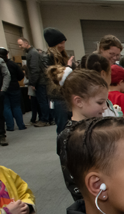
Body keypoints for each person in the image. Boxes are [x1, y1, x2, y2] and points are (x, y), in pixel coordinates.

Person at [46, 64, 109, 201]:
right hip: (95, 201)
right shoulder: (70, 137)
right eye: (100, 102)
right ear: (78, 101)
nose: (105, 108)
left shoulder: (94, 126)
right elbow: (74, 180)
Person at [42, 27, 74, 134]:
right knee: (62, 126)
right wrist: (68, 67)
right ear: (54, 43)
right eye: (60, 43)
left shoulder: (63, 56)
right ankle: (63, 148)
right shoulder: (46, 58)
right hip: (58, 96)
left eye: (64, 42)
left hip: (68, 94)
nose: (63, 46)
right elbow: (55, 77)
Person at [18, 36, 50, 127]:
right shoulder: (31, 53)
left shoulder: (33, 53)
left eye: (20, 45)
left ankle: (45, 120)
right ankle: (44, 118)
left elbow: (34, 69)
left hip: (40, 81)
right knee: (42, 101)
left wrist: (33, 83)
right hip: (39, 81)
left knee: (42, 101)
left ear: (26, 43)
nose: (20, 47)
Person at [0, 48, 26, 132]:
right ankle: (21, 125)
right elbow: (21, 76)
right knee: (16, 106)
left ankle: (10, 126)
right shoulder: (13, 64)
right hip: (14, 87)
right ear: (7, 54)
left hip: (1, 88)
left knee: (6, 107)